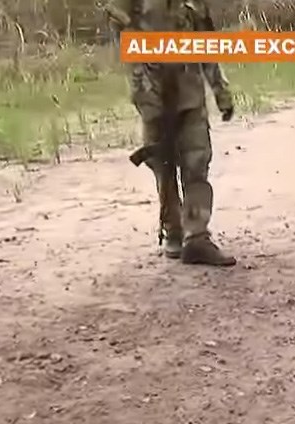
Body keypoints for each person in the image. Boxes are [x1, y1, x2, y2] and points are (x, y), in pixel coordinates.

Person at [106, 0, 236, 266]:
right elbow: (122, 35)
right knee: (163, 165)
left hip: (189, 92)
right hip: (152, 93)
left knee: (197, 162)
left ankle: (197, 236)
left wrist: (220, 90)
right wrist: (143, 86)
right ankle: (173, 231)